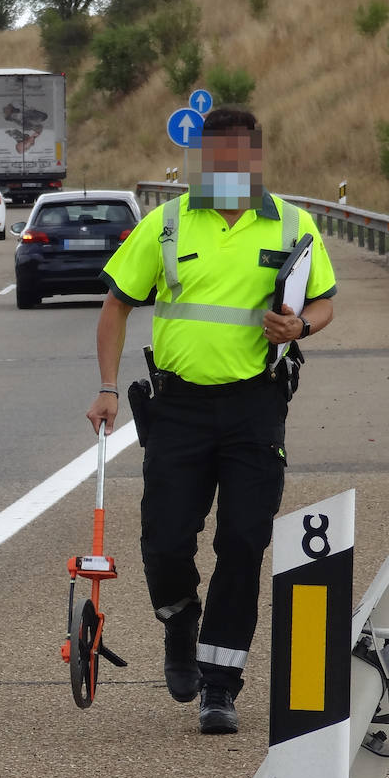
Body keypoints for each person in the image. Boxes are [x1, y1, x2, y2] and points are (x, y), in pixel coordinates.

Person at [85, 107, 338, 735]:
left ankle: (220, 685)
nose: (224, 170)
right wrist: (108, 387)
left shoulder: (293, 224)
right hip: (178, 410)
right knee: (166, 541)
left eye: (236, 159)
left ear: (254, 160)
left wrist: (300, 325)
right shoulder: (166, 224)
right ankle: (179, 619)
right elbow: (116, 306)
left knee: (243, 544)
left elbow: (324, 301)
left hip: (255, 407)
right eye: (213, 159)